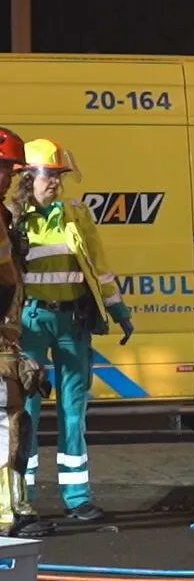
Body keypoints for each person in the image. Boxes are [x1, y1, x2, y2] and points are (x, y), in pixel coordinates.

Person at [13, 138, 134, 524]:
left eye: (60, 176)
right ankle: (20, 498)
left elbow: (99, 266)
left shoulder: (75, 215)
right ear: (27, 176)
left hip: (72, 322)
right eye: (51, 175)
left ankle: (77, 497)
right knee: (24, 413)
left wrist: (118, 309)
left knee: (73, 411)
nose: (56, 183)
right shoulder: (12, 218)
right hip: (29, 323)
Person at [0, 127, 56, 538]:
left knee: (14, 417)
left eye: (10, 169)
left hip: (6, 331)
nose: (8, 177)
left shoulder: (2, 215)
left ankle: (15, 506)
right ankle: (8, 513)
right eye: (2, 168)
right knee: (7, 418)